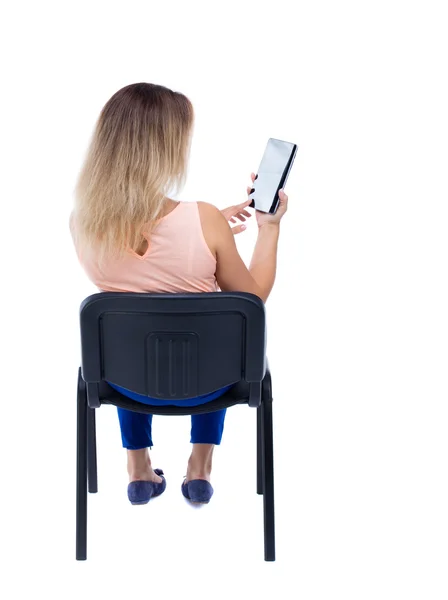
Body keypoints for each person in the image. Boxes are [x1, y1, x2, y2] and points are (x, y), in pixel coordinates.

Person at [70, 82, 288, 506]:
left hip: (124, 383)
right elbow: (253, 299)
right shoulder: (203, 220)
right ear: (164, 149)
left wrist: (209, 227)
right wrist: (268, 228)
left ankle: (137, 468)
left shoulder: (83, 224)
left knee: (133, 330)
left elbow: (148, 269)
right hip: (213, 386)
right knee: (217, 331)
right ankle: (201, 465)